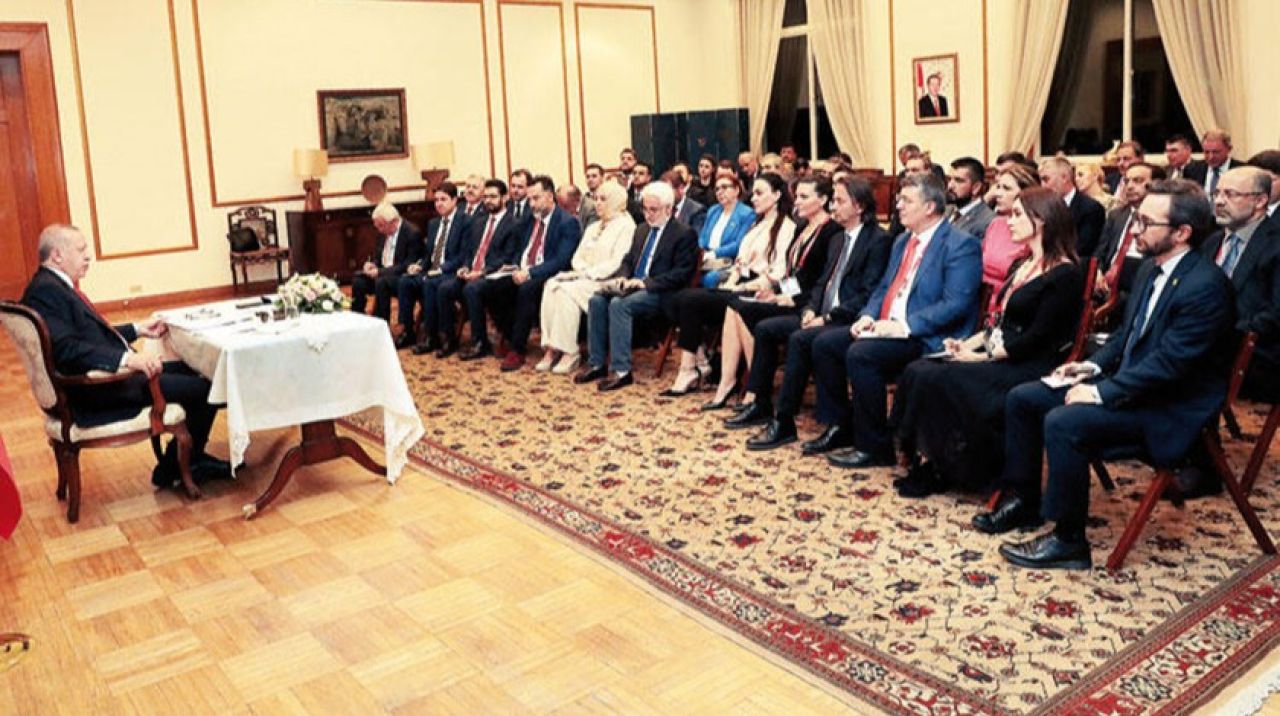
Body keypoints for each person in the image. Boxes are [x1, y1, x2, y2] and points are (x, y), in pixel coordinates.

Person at [975, 180, 1234, 570]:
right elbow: (1126, 336)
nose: (1135, 230)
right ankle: (1025, 501)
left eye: (1146, 222)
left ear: (1182, 233)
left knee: (1065, 421)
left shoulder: (1206, 287)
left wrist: (1100, 392)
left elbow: (1170, 366)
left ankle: (1069, 541)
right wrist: (1091, 366)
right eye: (1137, 219)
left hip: (1169, 405)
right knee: (1025, 398)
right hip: (1135, 386)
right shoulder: (1149, 269)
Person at [891, 188, 1084, 498]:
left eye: (1017, 215)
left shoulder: (1065, 274)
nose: (1009, 221)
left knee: (941, 378)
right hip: (1002, 352)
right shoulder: (1022, 264)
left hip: (1030, 363)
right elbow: (998, 322)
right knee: (920, 368)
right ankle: (939, 461)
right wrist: (968, 345)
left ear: (1042, 221)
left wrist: (982, 358)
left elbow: (1037, 338)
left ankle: (954, 466)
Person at [21, 225, 228, 488]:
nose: (88, 256)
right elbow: (68, 349)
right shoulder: (46, 292)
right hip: (97, 388)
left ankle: (180, 461)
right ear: (57, 255)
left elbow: (88, 336)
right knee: (207, 389)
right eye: (81, 250)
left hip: (103, 378)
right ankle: (182, 464)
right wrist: (128, 360)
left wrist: (137, 329)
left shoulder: (51, 286)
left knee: (196, 370)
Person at [818, 173, 983, 469]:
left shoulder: (960, 245)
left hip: (926, 335)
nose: (897, 206)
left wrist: (903, 326)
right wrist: (868, 315)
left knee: (861, 354)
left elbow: (956, 305)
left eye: (906, 200)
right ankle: (842, 426)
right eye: (899, 199)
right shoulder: (902, 241)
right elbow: (883, 287)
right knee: (826, 344)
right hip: (888, 327)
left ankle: (875, 447)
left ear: (930, 207)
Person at [743, 177, 893, 451]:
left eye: (839, 201)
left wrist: (827, 317)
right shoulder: (838, 238)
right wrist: (811, 309)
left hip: (849, 318)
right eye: (833, 200)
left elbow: (868, 293)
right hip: (820, 314)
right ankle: (759, 402)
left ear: (859, 206)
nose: (833, 207)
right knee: (766, 328)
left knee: (803, 339)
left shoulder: (877, 240)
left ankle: (788, 420)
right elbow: (821, 283)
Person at [712, 176, 840, 422]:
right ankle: (747, 393)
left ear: (823, 200)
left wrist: (789, 299)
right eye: (797, 196)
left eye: (804, 197)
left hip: (806, 305)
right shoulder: (803, 228)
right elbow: (795, 274)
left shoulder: (831, 232)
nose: (797, 201)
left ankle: (756, 396)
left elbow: (821, 282)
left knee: (751, 315)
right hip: (791, 296)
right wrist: (776, 292)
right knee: (739, 305)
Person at [669, 174, 796, 404]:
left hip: (757, 288)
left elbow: (778, 272)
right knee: (683, 297)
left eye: (759, 193)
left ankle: (710, 374)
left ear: (777, 195)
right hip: (738, 284)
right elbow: (741, 263)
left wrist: (743, 285)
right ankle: (693, 365)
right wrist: (732, 282)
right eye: (753, 193)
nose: (753, 198)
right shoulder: (757, 224)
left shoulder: (786, 227)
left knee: (691, 300)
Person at [575, 182, 699, 391]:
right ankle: (597, 364)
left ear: (668, 209)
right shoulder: (641, 229)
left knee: (619, 305)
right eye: (645, 209)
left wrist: (645, 283)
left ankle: (622, 371)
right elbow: (628, 260)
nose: (648, 215)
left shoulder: (683, 233)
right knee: (596, 299)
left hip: (661, 292)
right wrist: (623, 277)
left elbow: (681, 274)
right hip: (633, 286)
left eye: (653, 210)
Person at [472, 175, 582, 371]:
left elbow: (561, 260)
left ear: (550, 196)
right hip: (521, 270)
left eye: (536, 198)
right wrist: (512, 266)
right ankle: (510, 334)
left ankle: (517, 349)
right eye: (529, 199)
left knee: (526, 289)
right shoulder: (529, 219)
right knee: (487, 288)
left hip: (547, 273)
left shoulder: (566, 222)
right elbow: (520, 249)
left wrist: (530, 272)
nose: (531, 204)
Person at [537, 182, 636, 374]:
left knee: (565, 291)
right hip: (583, 276)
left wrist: (588, 274)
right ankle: (551, 348)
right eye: (596, 199)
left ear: (616, 201)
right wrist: (582, 272)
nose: (597, 203)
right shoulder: (594, 226)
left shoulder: (626, 226)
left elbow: (617, 262)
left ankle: (569, 351)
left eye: (603, 199)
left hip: (607, 280)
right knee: (551, 284)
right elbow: (577, 257)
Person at [1203, 166, 1280, 402]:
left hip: (1255, 353)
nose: (1219, 201)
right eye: (1217, 194)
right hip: (1208, 342)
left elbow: (1276, 314)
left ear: (1260, 201)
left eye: (1230, 194)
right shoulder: (1212, 242)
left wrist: (1221, 333)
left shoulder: (1275, 244)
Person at [435, 179, 523, 358]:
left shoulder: (514, 224)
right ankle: (449, 339)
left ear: (505, 198)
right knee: (444, 288)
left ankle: (480, 342)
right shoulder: (478, 222)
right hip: (472, 272)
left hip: (494, 275)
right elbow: (469, 251)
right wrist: (465, 267)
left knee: (472, 289)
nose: (488, 201)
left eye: (493, 197)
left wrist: (481, 272)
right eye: (486, 197)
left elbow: (507, 258)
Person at [395, 182, 469, 349]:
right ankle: (408, 331)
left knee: (431, 283)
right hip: (432, 270)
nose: (439, 204)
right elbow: (429, 254)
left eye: (443, 199)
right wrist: (420, 265)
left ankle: (436, 336)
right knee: (405, 280)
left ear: (454, 200)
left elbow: (463, 255)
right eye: (436, 200)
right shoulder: (433, 223)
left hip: (451, 272)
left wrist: (441, 269)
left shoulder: (465, 222)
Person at [352, 202, 423, 321]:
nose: (379, 229)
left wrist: (380, 272)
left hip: (399, 277)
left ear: (393, 222)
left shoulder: (412, 233)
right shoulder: (383, 232)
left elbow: (408, 264)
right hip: (381, 273)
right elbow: (378, 256)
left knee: (381, 282)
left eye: (381, 225)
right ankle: (358, 319)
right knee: (358, 281)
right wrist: (372, 264)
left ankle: (381, 322)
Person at [980, 164, 1038, 293]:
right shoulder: (996, 224)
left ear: (1025, 193)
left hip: (1010, 297)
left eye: (1006, 188)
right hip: (981, 296)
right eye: (998, 187)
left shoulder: (1032, 229)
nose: (998, 194)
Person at [696, 175, 757, 288]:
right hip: (706, 259)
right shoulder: (713, 210)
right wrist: (700, 253)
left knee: (710, 278)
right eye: (717, 189)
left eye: (724, 187)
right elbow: (702, 238)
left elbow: (739, 244)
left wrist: (714, 254)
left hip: (729, 262)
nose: (720, 192)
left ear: (736, 190)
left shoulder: (747, 214)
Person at [1039, 156, 1106, 257]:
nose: (1042, 186)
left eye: (1046, 179)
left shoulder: (1090, 209)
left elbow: (1083, 249)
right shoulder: (1043, 208)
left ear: (1064, 178)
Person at [946, 157, 996, 239]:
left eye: (958, 180)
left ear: (976, 187)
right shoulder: (945, 211)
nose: (950, 186)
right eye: (949, 179)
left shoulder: (988, 221)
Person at [1183, 128, 1241, 195]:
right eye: (1207, 152)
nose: (1211, 157)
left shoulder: (1241, 170)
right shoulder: (1192, 169)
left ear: (1229, 149)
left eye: (1216, 152)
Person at [580, 163, 604, 228]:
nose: (590, 179)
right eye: (587, 177)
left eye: (594, 176)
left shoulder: (609, 198)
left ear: (602, 178)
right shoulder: (582, 200)